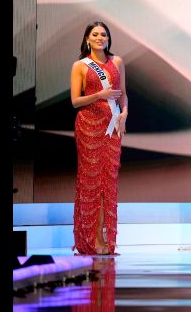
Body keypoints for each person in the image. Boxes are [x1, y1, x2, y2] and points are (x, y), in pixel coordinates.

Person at [70, 21, 128, 255]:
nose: (100, 38)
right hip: (88, 128)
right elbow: (75, 101)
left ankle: (105, 239)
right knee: (91, 182)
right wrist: (100, 95)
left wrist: (124, 113)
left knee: (108, 183)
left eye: (103, 34)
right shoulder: (80, 66)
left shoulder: (117, 62)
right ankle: (92, 240)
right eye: (95, 34)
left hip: (112, 127)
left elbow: (123, 94)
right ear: (87, 38)